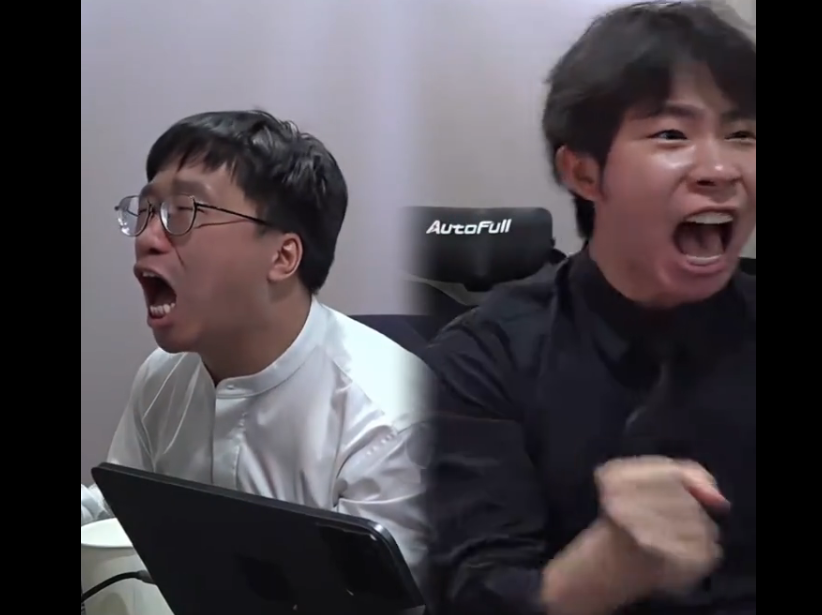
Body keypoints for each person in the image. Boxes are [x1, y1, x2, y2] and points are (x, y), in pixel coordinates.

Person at [425, 2, 755, 614]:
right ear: (583, 173)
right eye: (672, 135)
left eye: (742, 135)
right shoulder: (485, 359)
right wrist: (610, 563)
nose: (719, 169)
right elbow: (478, 591)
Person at [80, 110, 430, 583]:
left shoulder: (389, 421)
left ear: (282, 256)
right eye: (145, 211)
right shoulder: (163, 375)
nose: (147, 238)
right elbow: (119, 516)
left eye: (182, 212)